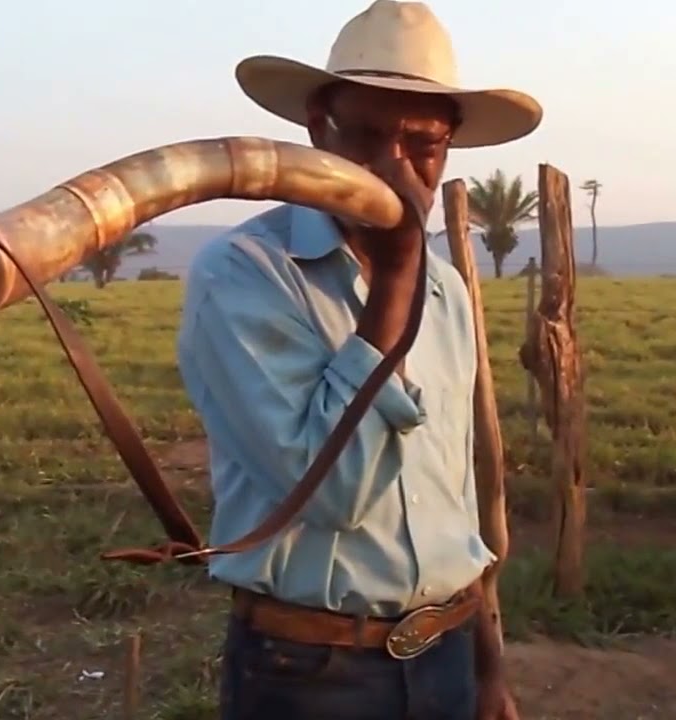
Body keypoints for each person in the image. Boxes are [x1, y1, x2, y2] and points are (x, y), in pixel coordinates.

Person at [175, 2, 542, 719]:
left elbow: (453, 494)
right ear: (319, 127)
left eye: (423, 145)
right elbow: (335, 494)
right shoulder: (246, 274)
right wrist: (395, 282)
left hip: (447, 654)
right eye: (369, 136)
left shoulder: (445, 286)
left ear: (449, 149)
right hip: (313, 674)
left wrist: (487, 662)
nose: (393, 168)